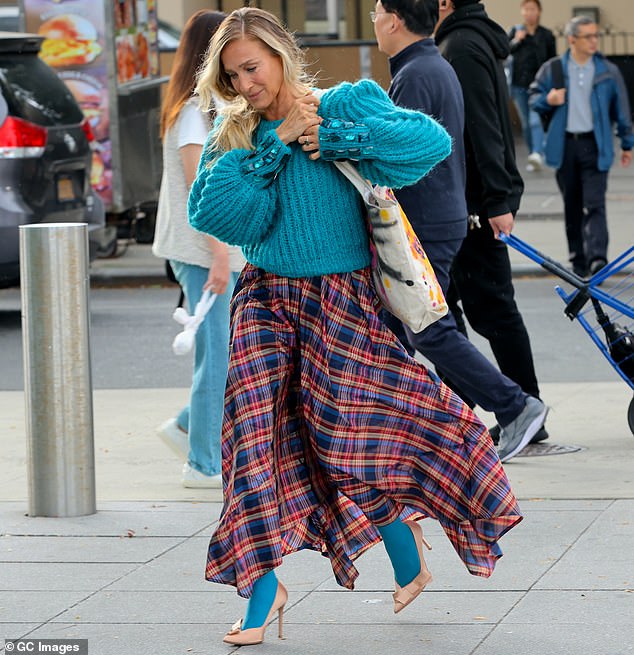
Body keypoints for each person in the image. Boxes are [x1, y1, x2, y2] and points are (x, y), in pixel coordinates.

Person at [188, 6, 523, 646]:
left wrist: (342, 140)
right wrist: (277, 142)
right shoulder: (235, 135)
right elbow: (223, 215)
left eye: (252, 68)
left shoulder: (344, 104)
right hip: (264, 303)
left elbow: (430, 146)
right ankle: (261, 589)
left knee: (350, 439)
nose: (245, 85)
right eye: (232, 77)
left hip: (341, 303)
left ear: (282, 54)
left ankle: (407, 547)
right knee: (252, 447)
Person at [374, 0, 546, 462]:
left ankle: (514, 407)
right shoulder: (434, 63)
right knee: (401, 328)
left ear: (393, 19)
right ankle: (432, 427)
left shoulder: (417, 74)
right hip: (440, 216)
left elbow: (400, 157)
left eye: (375, 13)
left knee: (427, 329)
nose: (374, 22)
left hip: (425, 220)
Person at [434, 0, 548, 451]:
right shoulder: (470, 40)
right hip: (472, 201)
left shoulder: (460, 46)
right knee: (446, 312)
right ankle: (481, 411)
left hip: (474, 205)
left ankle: (525, 410)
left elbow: (481, 125)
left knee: (486, 311)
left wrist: (498, 197)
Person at [152, 10, 245, 489]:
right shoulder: (194, 111)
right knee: (217, 357)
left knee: (221, 352)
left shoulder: (199, 106)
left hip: (203, 250)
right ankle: (203, 464)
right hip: (202, 252)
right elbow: (197, 189)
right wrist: (222, 254)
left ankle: (189, 425)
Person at [530, 15, 633, 278]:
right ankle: (578, 261)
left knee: (594, 203)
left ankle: (598, 259)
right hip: (565, 146)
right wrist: (549, 98)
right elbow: (533, 97)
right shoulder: (553, 69)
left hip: (596, 145)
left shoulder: (607, 71)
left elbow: (622, 109)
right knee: (572, 205)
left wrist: (627, 143)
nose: (594, 41)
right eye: (588, 36)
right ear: (572, 39)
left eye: (596, 35)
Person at [508, 0, 556, 172]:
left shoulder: (547, 35)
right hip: (519, 85)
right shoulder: (516, 31)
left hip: (540, 85)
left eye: (532, 9)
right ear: (522, 11)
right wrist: (515, 40)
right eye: (526, 9)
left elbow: (552, 60)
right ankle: (533, 154)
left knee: (536, 120)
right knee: (527, 124)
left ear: (539, 11)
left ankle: (537, 152)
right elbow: (504, 51)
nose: (529, 12)